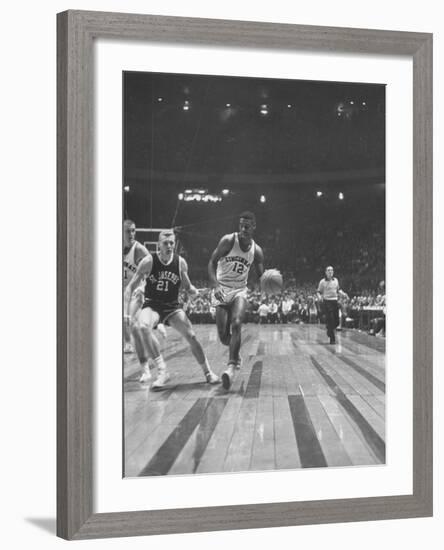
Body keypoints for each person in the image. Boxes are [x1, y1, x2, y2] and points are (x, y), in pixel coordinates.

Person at [125, 230, 219, 389]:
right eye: (165, 243)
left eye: (171, 243)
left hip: (172, 307)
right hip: (152, 305)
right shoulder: (148, 261)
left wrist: (194, 291)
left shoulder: (180, 262)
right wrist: (128, 301)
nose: (169, 246)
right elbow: (131, 285)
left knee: (192, 336)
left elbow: (188, 286)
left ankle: (208, 372)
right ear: (158, 245)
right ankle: (162, 371)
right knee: (142, 326)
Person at [208, 211, 265, 390]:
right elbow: (211, 262)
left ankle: (231, 368)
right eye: (241, 225)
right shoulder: (228, 241)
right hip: (222, 288)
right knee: (224, 336)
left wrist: (269, 283)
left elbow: (262, 275)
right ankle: (235, 353)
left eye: (247, 226)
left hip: (240, 290)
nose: (243, 228)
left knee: (237, 323)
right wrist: (215, 285)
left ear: (254, 227)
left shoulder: (257, 250)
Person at [316, 265, 349, 344]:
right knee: (330, 318)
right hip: (326, 301)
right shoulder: (322, 282)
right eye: (328, 270)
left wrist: (344, 294)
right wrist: (319, 297)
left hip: (335, 301)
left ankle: (329, 329)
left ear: (333, 272)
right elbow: (318, 292)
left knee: (336, 321)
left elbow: (338, 290)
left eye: (331, 270)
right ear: (326, 272)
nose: (330, 271)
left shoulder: (336, 280)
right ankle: (332, 337)